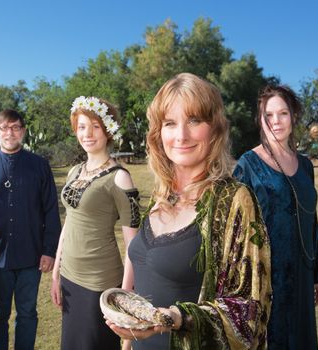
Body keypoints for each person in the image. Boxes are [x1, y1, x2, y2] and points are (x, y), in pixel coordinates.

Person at [106, 73, 272, 350]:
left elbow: (250, 309)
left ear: (215, 128)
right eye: (170, 123)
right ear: (159, 133)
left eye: (194, 120)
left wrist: (175, 318)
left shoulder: (233, 201)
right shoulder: (161, 196)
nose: (181, 135)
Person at [233, 85, 318, 349]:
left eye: (283, 113)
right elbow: (237, 230)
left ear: (293, 116)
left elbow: (311, 221)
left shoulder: (306, 165)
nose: (276, 121)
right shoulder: (247, 164)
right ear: (260, 119)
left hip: (302, 272)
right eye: (268, 115)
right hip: (266, 278)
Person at [50, 96, 141, 350]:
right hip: (69, 278)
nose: (87, 133)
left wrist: (123, 296)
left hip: (99, 284)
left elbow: (133, 244)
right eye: (81, 126)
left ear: (108, 130)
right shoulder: (74, 171)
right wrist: (56, 273)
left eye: (95, 126)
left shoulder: (120, 178)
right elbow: (68, 222)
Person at [0, 109, 61, 350]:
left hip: (31, 256)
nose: (10, 133)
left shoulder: (39, 165)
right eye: (4, 128)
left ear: (23, 131)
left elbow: (50, 210)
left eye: (15, 127)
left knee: (27, 314)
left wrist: (49, 250)